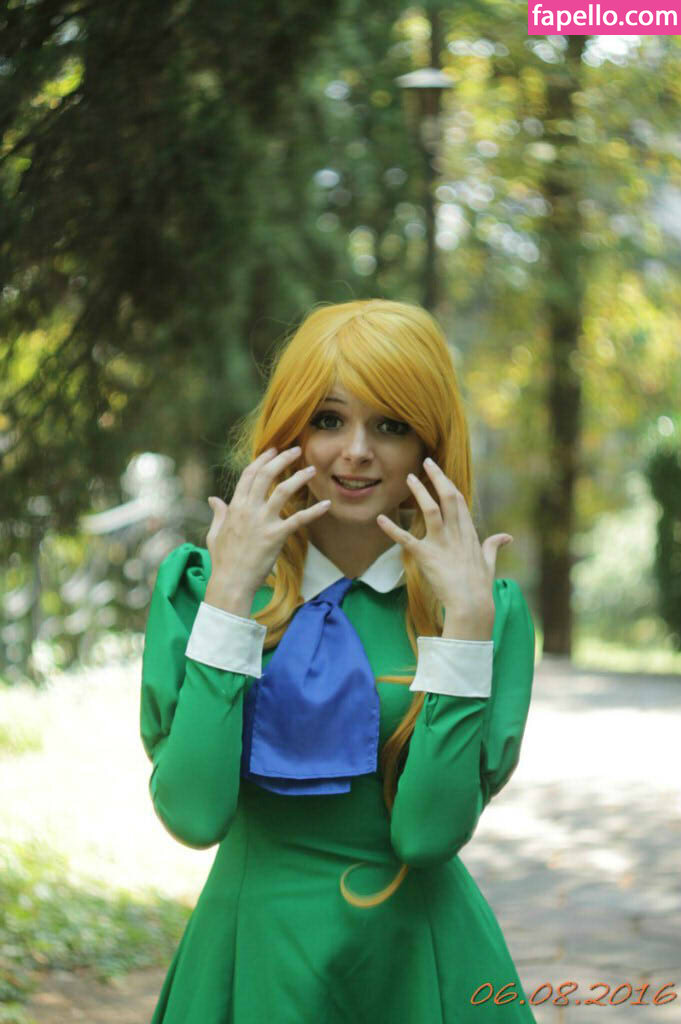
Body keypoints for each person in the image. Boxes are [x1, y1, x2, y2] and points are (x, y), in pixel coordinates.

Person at [140, 298, 537, 1023]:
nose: (355, 451)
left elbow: (426, 836)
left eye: (391, 425)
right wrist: (230, 600)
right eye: (328, 419)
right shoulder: (202, 587)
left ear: (430, 445)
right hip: (250, 957)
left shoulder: (484, 611)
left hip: (421, 964)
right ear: (288, 431)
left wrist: (463, 631)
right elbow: (193, 815)